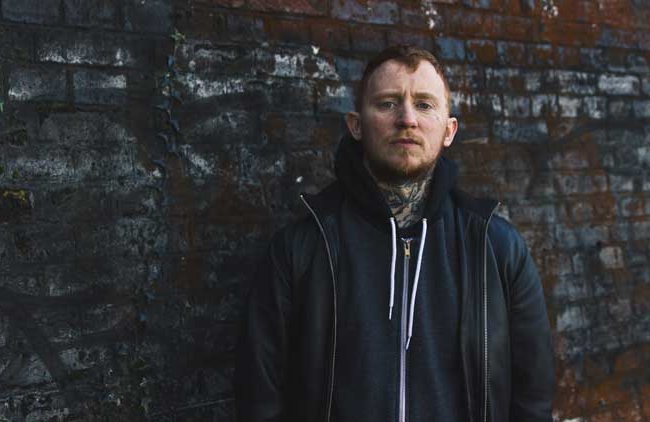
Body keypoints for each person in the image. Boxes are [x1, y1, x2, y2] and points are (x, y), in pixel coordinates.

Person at [234, 45, 555, 422]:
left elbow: (533, 396)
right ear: (356, 125)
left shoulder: (495, 248)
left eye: (424, 104)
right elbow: (259, 395)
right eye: (387, 103)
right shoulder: (303, 248)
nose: (407, 119)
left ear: (449, 130)